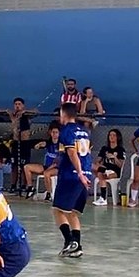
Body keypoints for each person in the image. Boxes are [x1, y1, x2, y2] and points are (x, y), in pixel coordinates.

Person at [53, 103, 92, 258]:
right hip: (86, 175)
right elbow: (86, 153)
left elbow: (72, 153)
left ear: (64, 114)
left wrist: (80, 173)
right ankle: (77, 246)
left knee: (58, 210)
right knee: (73, 213)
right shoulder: (84, 131)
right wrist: (86, 174)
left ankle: (69, 241)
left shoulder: (66, 131)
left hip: (72, 176)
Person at [23, 121, 60, 199]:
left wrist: (48, 169)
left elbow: (58, 162)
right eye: (53, 132)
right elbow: (43, 143)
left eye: (56, 132)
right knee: (27, 167)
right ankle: (30, 188)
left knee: (47, 173)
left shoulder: (61, 145)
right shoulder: (49, 142)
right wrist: (39, 144)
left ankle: (49, 194)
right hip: (46, 166)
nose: (54, 134)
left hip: (57, 168)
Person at [92, 129, 126, 206]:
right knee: (94, 167)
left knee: (101, 173)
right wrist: (99, 164)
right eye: (110, 135)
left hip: (115, 171)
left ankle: (103, 198)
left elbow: (120, 165)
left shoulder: (120, 149)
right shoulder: (104, 148)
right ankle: (103, 198)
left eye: (114, 135)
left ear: (118, 137)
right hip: (104, 168)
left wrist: (114, 158)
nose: (111, 137)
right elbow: (97, 161)